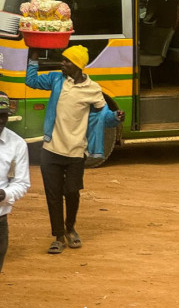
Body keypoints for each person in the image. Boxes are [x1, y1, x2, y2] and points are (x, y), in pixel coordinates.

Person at [26, 45, 125, 254]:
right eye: (63, 60)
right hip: (51, 150)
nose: (62, 63)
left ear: (78, 66)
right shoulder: (56, 80)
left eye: (67, 61)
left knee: (71, 192)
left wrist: (116, 117)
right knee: (53, 196)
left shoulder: (93, 90)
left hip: (76, 152)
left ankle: (70, 228)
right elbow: (31, 81)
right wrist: (33, 57)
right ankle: (59, 237)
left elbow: (104, 118)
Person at [0, 91, 30, 271]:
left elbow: (22, 182)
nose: (0, 121)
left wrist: (5, 194)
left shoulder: (17, 144)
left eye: (3, 116)